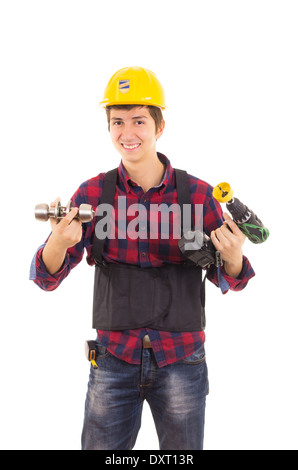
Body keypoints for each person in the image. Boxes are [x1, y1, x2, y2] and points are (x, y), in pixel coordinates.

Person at [30, 66, 255, 450]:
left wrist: (232, 256)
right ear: (108, 127)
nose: (128, 133)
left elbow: (230, 278)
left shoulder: (198, 196)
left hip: (182, 359)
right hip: (113, 360)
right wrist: (56, 240)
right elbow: (46, 277)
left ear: (160, 126)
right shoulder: (92, 194)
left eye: (138, 120)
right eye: (118, 122)